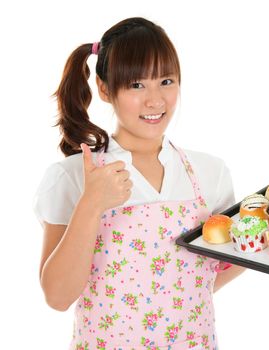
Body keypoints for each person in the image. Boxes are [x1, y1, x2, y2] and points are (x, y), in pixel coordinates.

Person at [33, 16, 246, 350]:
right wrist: (91, 203)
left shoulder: (211, 173)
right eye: (136, 85)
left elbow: (225, 265)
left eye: (166, 81)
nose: (155, 100)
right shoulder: (71, 177)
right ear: (105, 89)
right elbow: (58, 297)